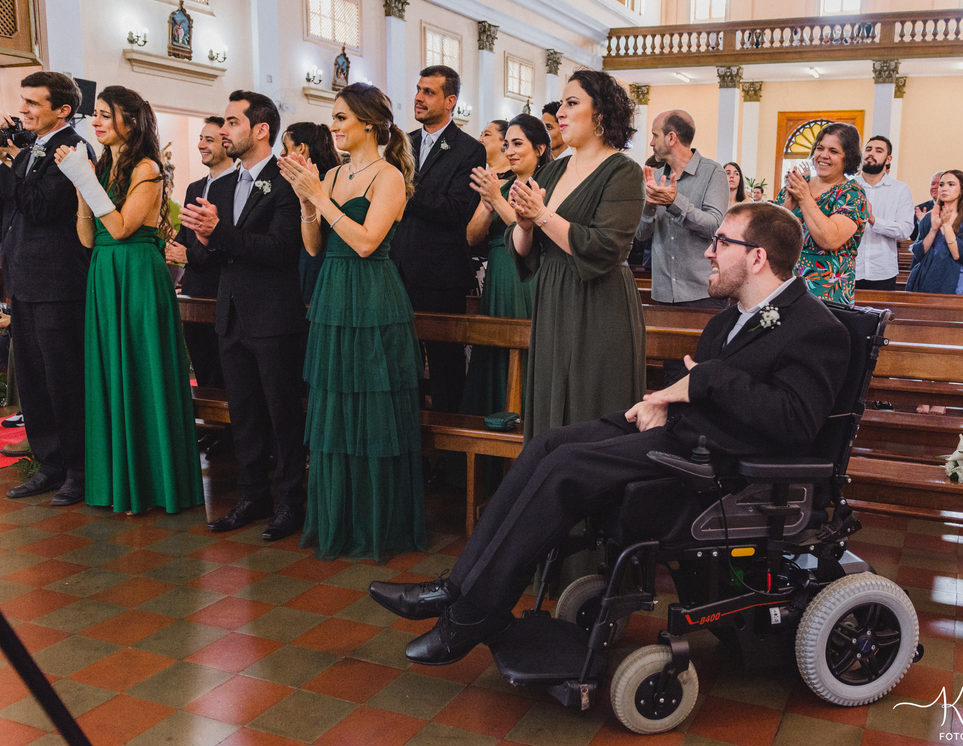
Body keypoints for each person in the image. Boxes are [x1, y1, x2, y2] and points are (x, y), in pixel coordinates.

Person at [367, 202, 851, 665]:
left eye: (721, 242)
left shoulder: (814, 328)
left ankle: (472, 615)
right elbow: (703, 385)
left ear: (757, 257)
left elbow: (794, 422)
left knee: (566, 467)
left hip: (720, 466)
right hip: (683, 433)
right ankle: (455, 588)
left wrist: (703, 383)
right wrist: (663, 401)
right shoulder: (730, 317)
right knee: (547, 443)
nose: (708, 251)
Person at [277, 81, 425, 562]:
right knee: (336, 407)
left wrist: (318, 198)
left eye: (341, 117)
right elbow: (314, 247)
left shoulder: (389, 177)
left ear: (369, 123)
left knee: (374, 408)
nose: (334, 126)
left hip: (374, 296)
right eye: (334, 117)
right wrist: (306, 202)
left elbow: (365, 243)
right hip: (333, 294)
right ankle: (337, 519)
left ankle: (376, 521)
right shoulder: (334, 175)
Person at [53, 85, 202, 515]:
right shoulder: (103, 167)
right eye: (96, 114)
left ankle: (153, 483)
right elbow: (88, 237)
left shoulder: (147, 169)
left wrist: (84, 180)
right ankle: (120, 480)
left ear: (131, 122)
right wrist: (81, 187)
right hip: (104, 273)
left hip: (136, 273)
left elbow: (120, 229)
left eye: (105, 114)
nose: (96, 121)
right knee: (110, 371)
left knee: (141, 369)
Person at [187, 90, 308, 541]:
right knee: (244, 414)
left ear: (260, 130)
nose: (223, 130)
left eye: (232, 122)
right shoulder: (219, 186)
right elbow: (209, 259)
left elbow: (280, 250)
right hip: (231, 314)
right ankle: (252, 495)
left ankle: (291, 502)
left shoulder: (285, 180)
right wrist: (200, 241)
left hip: (274, 317)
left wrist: (220, 234)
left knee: (282, 414)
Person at [506, 70, 646, 442]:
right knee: (550, 399)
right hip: (553, 296)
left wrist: (541, 215)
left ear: (600, 113)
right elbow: (524, 251)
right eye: (561, 104)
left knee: (592, 403)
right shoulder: (552, 171)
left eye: (572, 103)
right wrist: (524, 224)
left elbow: (606, 246)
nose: (560, 113)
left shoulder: (623, 171)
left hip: (599, 300)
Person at [0, 72, 93, 506]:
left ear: (63, 110)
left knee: (63, 379)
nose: (23, 110)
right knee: (34, 380)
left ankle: (78, 469)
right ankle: (49, 463)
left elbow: (39, 207)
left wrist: (9, 162)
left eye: (33, 103)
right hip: (24, 279)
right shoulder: (32, 149)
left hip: (58, 282)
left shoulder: (72, 149)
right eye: (23, 101)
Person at [394, 65, 486, 413]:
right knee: (403, 361)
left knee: (446, 365)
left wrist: (404, 190)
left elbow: (456, 209)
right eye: (418, 90)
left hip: (440, 274)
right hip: (398, 268)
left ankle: (449, 438)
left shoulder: (469, 149)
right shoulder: (404, 143)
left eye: (429, 92)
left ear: (450, 101)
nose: (418, 98)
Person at [461, 114, 550, 415]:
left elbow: (531, 231)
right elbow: (472, 236)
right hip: (499, 272)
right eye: (507, 145)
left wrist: (497, 200)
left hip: (530, 274)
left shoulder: (547, 186)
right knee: (494, 346)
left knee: (527, 345)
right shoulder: (499, 186)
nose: (510, 151)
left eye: (518, 144)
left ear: (539, 148)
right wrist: (489, 204)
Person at [167, 115, 236, 392]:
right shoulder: (195, 187)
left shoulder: (237, 185)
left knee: (225, 373)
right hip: (194, 290)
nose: (201, 145)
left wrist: (190, 256)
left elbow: (229, 240)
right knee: (202, 366)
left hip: (220, 288)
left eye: (209, 140)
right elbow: (185, 233)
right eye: (200, 138)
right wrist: (171, 247)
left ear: (227, 144)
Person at [635, 109, 728, 308]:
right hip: (663, 293)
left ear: (671, 138)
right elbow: (641, 235)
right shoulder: (655, 177)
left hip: (703, 293)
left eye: (654, 135)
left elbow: (715, 228)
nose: (651, 143)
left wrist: (673, 202)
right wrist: (649, 207)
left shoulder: (713, 172)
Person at [777, 122, 868, 304]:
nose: (823, 155)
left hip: (827, 291)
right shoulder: (797, 184)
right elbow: (769, 238)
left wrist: (804, 198)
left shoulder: (852, 194)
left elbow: (830, 239)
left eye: (833, 151)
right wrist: (786, 208)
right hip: (784, 283)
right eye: (820, 148)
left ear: (848, 158)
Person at [281, 122, 341, 304]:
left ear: (301, 148)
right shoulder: (333, 179)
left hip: (313, 265)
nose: (282, 154)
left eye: (285, 147)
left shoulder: (321, 185)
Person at [853, 135, 915, 291]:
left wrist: (873, 220)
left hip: (882, 271)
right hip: (850, 269)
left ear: (888, 159)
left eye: (878, 151)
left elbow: (905, 230)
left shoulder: (900, 189)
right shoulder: (850, 186)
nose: (871, 153)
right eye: (868, 149)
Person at [905, 169, 963, 295]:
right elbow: (919, 254)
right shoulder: (929, 217)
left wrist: (946, 225)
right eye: (941, 184)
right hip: (925, 279)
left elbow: (959, 255)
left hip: (954, 280)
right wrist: (933, 229)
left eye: (951, 184)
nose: (944, 188)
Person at [912, 170, 943, 240]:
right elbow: (913, 237)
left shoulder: (956, 209)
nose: (935, 187)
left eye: (939, 184)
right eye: (933, 184)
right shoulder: (920, 209)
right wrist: (922, 223)